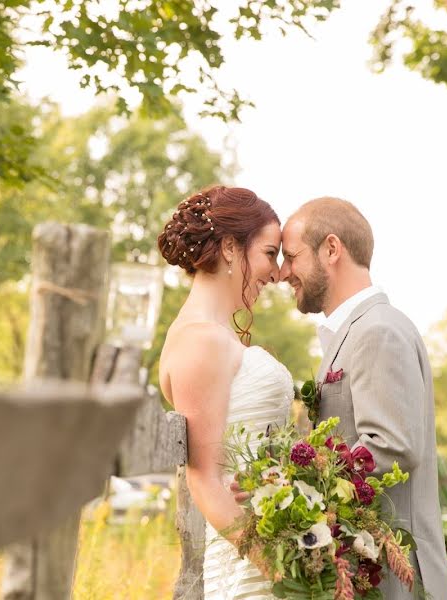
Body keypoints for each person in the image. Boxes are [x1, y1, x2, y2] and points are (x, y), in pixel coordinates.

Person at [275, 197, 447, 599]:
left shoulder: (378, 332)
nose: (283, 272)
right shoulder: (357, 332)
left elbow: (391, 446)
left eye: (292, 256)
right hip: (366, 569)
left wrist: (293, 485)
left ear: (332, 249)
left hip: (396, 578)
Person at [157, 185, 289, 599]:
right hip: (250, 568)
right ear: (231, 247)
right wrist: (284, 568)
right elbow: (206, 479)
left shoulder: (212, 336)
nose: (278, 272)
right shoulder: (201, 341)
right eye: (270, 253)